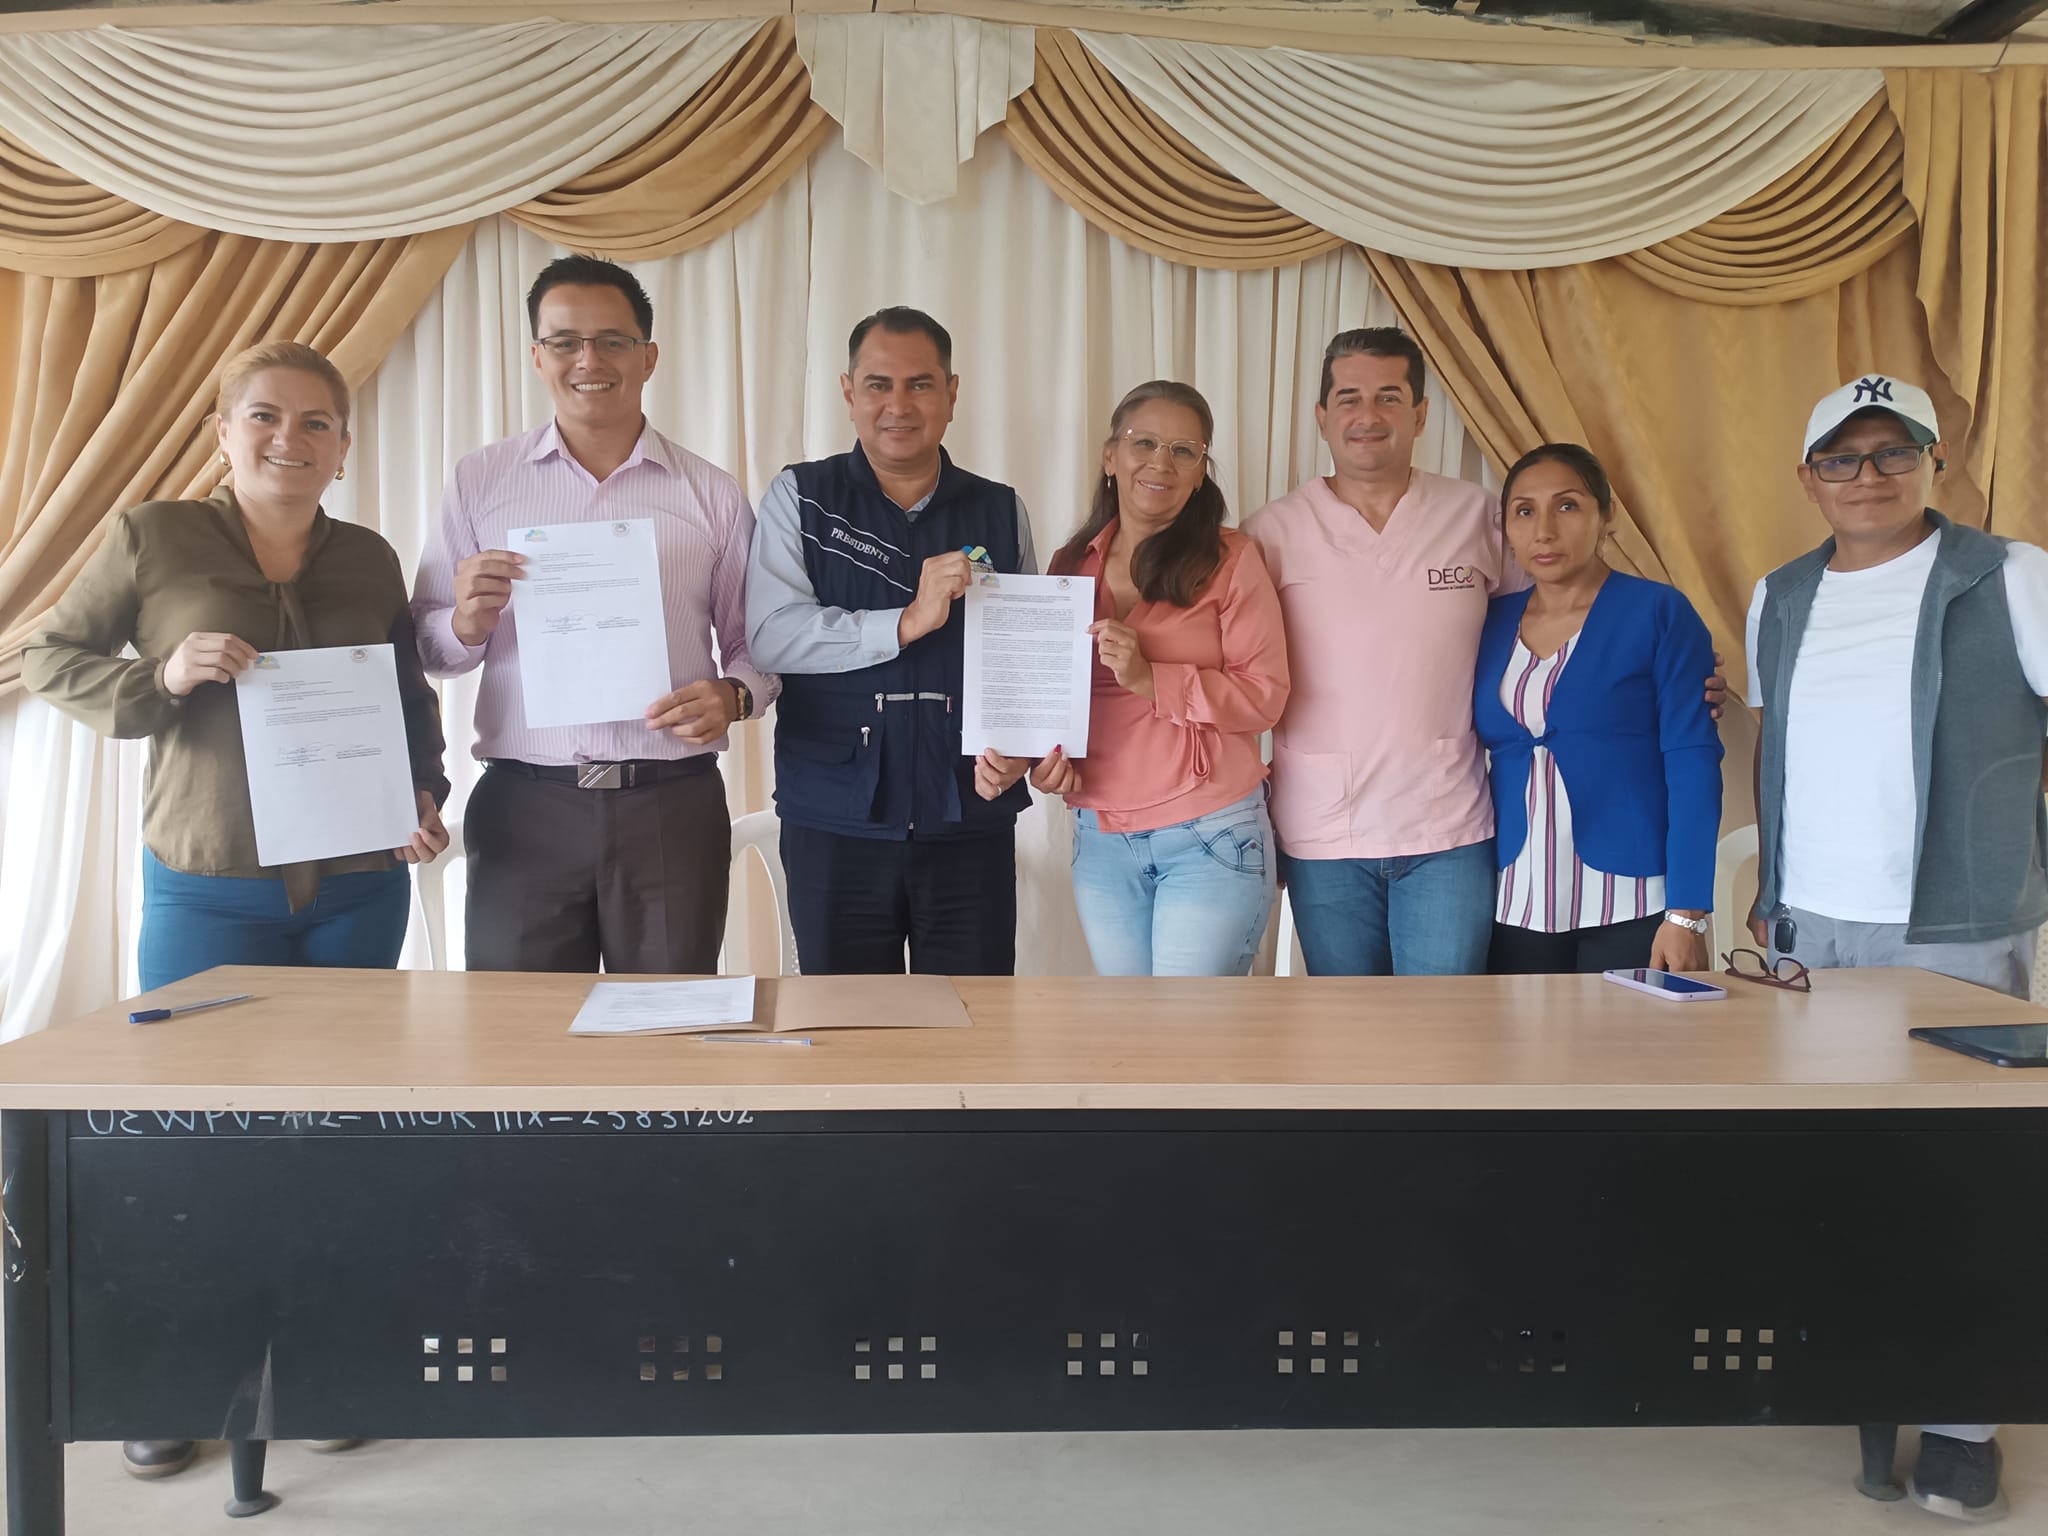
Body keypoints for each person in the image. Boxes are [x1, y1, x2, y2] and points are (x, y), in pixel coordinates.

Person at [23, 338, 450, 1482]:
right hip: (207, 885)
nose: (287, 439)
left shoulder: (368, 557)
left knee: (334, 1133)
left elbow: (405, 700)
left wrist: (423, 796)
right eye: (263, 416)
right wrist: (160, 679)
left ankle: (315, 1362)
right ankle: (171, 1377)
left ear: (344, 447)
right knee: (188, 1136)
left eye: (315, 422)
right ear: (222, 432)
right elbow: (51, 656)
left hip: (357, 890)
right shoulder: (152, 536)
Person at [1746, 374, 2048, 1524]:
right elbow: (1777, 748)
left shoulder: (2007, 575)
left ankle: (1963, 1423)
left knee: (1964, 1177)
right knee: (1845, 1174)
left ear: (1932, 461)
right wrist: (1769, 899)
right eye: (1840, 457)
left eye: (1890, 452)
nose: (1865, 476)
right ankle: (1866, 1375)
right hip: (1814, 931)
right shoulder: (1778, 594)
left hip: (1955, 930)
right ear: (1806, 477)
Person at [1246, 326, 1727, 978]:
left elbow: (1566, 612)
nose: (1368, 415)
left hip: (1452, 829)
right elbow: (1239, 669)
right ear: (1321, 416)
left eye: (1389, 397)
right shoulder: (1270, 533)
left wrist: (1680, 678)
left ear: (1420, 414)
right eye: (1349, 398)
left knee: (1455, 1028)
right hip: (1324, 829)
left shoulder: (1478, 516)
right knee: (1350, 1027)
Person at [411, 255, 773, 974]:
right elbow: (427, 642)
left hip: (670, 807)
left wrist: (733, 697)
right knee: (519, 1031)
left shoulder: (711, 493)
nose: (589, 360)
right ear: (537, 356)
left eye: (612, 341)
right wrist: (465, 624)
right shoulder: (479, 480)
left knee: (670, 1025)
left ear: (648, 357)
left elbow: (755, 645)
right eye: (565, 342)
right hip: (526, 809)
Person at [746, 307, 1035, 975]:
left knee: (974, 1018)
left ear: (952, 394)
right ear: (849, 393)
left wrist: (1021, 745)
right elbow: (771, 637)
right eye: (878, 385)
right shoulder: (801, 497)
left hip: (968, 815)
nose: (898, 405)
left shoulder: (999, 508)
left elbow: (1022, 658)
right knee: (846, 1025)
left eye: (920, 384)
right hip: (835, 820)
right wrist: (905, 621)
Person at [1019, 382, 1289, 976]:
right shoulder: (1069, 565)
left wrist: (1151, 678)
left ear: (1199, 475)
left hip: (1210, 834)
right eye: (1144, 443)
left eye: (1183, 451)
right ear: (1110, 457)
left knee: (1187, 1028)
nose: (1161, 463)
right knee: (1130, 1027)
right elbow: (1051, 696)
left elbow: (1264, 698)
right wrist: (1045, 761)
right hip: (1101, 836)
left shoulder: (1232, 560)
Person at [1474, 445, 1721, 974]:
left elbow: (1693, 762)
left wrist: (1687, 914)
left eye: (1567, 506)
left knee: (1632, 1033)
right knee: (1517, 1033)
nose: (1544, 531)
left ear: (1606, 517)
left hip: (1634, 896)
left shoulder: (1659, 611)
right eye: (1524, 511)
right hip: (1515, 895)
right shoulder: (1488, 621)